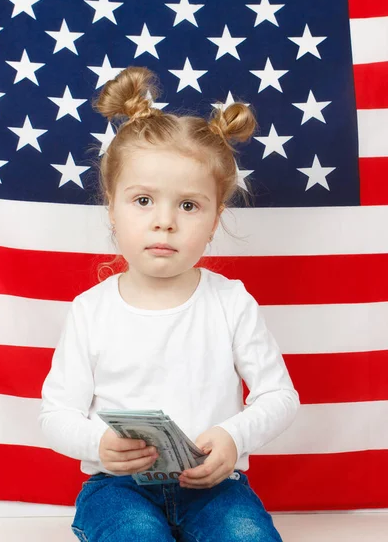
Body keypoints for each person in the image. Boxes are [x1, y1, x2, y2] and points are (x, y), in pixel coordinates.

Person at [39, 65, 300, 542]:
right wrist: (99, 443)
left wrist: (232, 437)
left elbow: (280, 397)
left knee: (247, 537)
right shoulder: (90, 310)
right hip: (118, 487)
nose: (164, 222)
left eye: (188, 205)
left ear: (216, 217)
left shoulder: (231, 302)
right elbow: (55, 414)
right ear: (111, 207)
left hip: (216, 487)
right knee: (135, 535)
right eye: (143, 201)